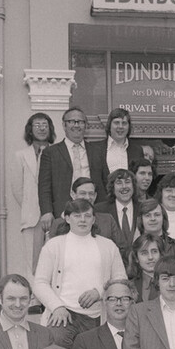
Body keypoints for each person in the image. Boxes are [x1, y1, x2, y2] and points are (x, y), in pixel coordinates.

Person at [33, 198, 126, 348]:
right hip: (64, 315)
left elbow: (121, 280)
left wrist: (100, 292)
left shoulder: (108, 246)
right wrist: (57, 307)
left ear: (94, 219)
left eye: (87, 216)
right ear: (68, 218)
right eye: (77, 215)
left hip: (98, 316)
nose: (83, 220)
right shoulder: (53, 246)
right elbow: (39, 283)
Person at [38, 106, 108, 223]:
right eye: (71, 121)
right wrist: (46, 211)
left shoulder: (97, 151)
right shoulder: (50, 152)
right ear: (64, 125)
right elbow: (44, 186)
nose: (76, 125)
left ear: (86, 125)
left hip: (93, 211)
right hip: (62, 212)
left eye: (80, 122)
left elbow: (106, 181)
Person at [10, 112, 55, 276]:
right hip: (32, 218)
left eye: (45, 125)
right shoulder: (21, 156)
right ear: (30, 129)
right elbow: (17, 188)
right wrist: (32, 206)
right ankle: (33, 301)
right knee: (32, 264)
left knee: (55, 261)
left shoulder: (57, 152)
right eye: (37, 125)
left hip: (54, 215)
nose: (42, 129)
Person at [48, 177, 125, 253]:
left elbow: (122, 250)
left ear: (95, 196)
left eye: (91, 194)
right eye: (83, 193)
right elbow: (52, 254)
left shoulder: (108, 220)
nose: (87, 197)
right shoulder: (58, 223)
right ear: (73, 194)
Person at [93, 168, 139, 258]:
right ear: (112, 187)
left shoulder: (144, 209)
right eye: (119, 183)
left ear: (134, 186)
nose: (124, 186)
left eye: (127, 182)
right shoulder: (99, 210)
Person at [99, 108, 145, 189]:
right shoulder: (96, 149)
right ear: (109, 125)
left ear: (129, 126)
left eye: (124, 123)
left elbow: (138, 179)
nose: (120, 126)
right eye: (116, 123)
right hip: (104, 199)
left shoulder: (137, 150)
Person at [127, 232, 164, 303]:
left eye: (154, 251)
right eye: (144, 253)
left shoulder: (172, 282)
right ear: (136, 258)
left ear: (161, 255)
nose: (150, 257)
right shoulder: (130, 286)